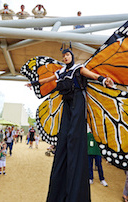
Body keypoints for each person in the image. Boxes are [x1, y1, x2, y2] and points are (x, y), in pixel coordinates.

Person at [26, 48, 113, 202]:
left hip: (78, 100)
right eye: (63, 56)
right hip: (66, 103)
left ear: (72, 56)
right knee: (65, 133)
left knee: (74, 134)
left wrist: (104, 80)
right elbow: (48, 80)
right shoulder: (61, 72)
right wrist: (33, 83)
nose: (65, 57)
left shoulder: (78, 68)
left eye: (67, 55)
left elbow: (92, 75)